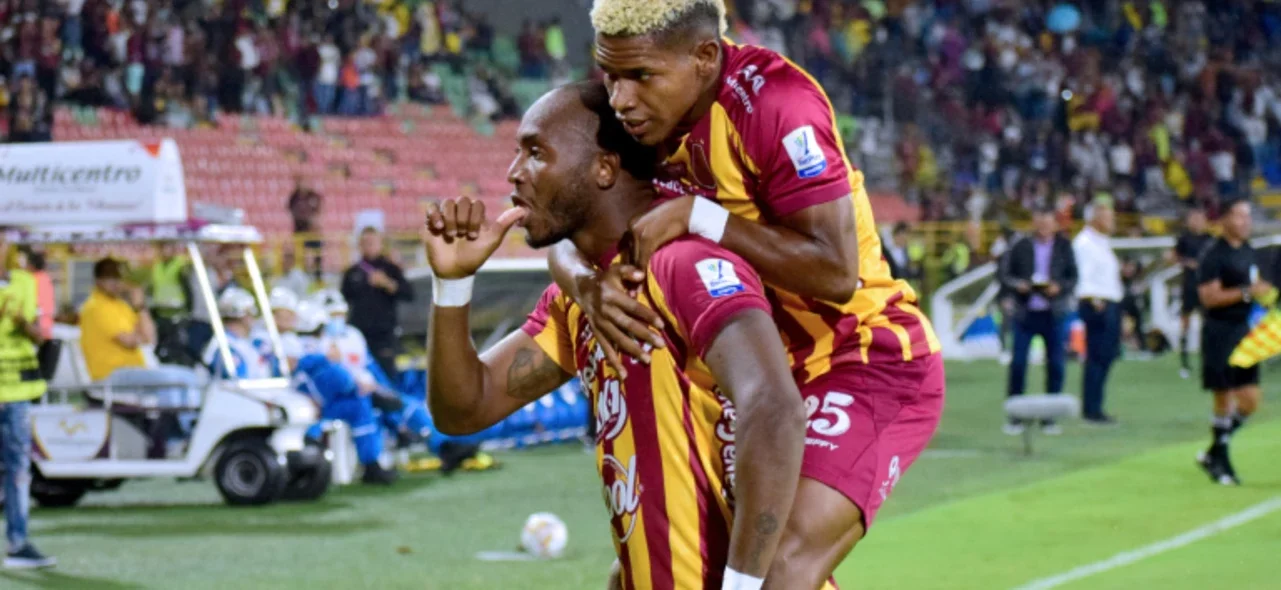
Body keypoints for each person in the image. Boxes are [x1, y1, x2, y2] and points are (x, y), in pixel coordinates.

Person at [552, 1, 945, 584]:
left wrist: (699, 216)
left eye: (639, 77)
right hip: (756, 376)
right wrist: (582, 283)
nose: (619, 99)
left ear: (705, 57)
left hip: (863, 357)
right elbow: (558, 215)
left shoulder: (775, 101)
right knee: (644, 574)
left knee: (776, 565)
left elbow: (837, 273)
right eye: (609, 74)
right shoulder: (643, 115)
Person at [424, 81, 809, 590]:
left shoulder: (684, 264)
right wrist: (452, 284)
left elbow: (777, 409)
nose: (514, 173)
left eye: (536, 152)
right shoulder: (581, 300)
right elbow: (463, 408)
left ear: (604, 167)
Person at [1195, 199, 1269, 486]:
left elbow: (1256, 289)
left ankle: (1213, 452)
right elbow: (1209, 298)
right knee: (1223, 396)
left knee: (1250, 400)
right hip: (1220, 331)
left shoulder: (1250, 252)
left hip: (1245, 330)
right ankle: (1221, 463)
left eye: (1248, 216)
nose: (1246, 221)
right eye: (1239, 216)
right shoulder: (1213, 255)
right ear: (1224, 219)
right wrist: (1248, 292)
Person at [0, 236, 56, 569]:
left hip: (17, 395)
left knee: (19, 470)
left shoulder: (24, 282)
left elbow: (40, 333)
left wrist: (23, 322)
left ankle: (18, 543)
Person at [997, 206, 1077, 435]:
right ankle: (1015, 417)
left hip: (1053, 313)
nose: (1043, 226)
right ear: (1034, 222)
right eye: (1039, 222)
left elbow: (1073, 277)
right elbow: (1004, 274)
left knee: (1056, 365)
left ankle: (1049, 419)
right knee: (1019, 364)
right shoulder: (1021, 245)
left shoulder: (1064, 246)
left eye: (1047, 222)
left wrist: (1059, 287)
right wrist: (1017, 286)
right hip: (1025, 313)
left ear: (1054, 224)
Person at [1072, 201, 1123, 425]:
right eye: (1107, 216)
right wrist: (1094, 300)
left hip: (1108, 301)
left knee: (1106, 356)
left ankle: (1096, 405)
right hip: (1097, 303)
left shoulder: (1101, 243)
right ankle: (1091, 408)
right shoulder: (1084, 243)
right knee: (1097, 356)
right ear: (1093, 218)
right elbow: (1083, 276)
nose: (1112, 221)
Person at [340, 227, 414, 381]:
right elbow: (342, 300)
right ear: (359, 245)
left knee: (386, 373)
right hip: (359, 332)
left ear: (381, 244)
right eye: (365, 243)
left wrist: (387, 284)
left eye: (372, 242)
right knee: (359, 373)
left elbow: (409, 294)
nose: (369, 246)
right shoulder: (352, 272)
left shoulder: (390, 269)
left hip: (383, 333)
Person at [79, 258, 156, 381]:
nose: (116, 282)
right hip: (110, 374)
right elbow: (130, 341)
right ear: (98, 281)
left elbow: (149, 338)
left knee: (181, 377)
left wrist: (140, 306)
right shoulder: (95, 307)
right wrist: (138, 336)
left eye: (118, 277)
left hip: (131, 371)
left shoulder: (121, 305)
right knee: (175, 379)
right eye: (110, 277)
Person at [1170, 207, 1212, 379]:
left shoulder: (1210, 239)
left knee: (1206, 324)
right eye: (1194, 218)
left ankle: (1206, 360)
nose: (1197, 221)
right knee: (1185, 323)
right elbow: (1174, 257)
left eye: (1200, 218)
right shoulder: (1184, 239)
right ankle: (1185, 362)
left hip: (1205, 287)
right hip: (1189, 286)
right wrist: (1187, 263)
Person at [201, 288, 272, 381]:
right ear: (243, 316)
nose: (252, 318)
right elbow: (235, 380)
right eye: (250, 312)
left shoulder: (250, 342)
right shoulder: (223, 344)